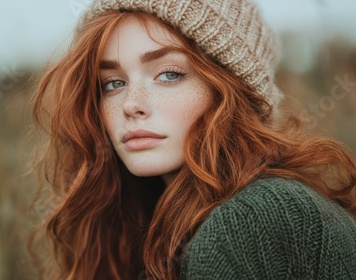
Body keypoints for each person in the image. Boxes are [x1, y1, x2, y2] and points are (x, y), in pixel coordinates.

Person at [29, 0, 356, 279]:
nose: (131, 104)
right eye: (113, 83)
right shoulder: (152, 217)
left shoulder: (249, 219)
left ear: (230, 91)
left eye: (169, 74)